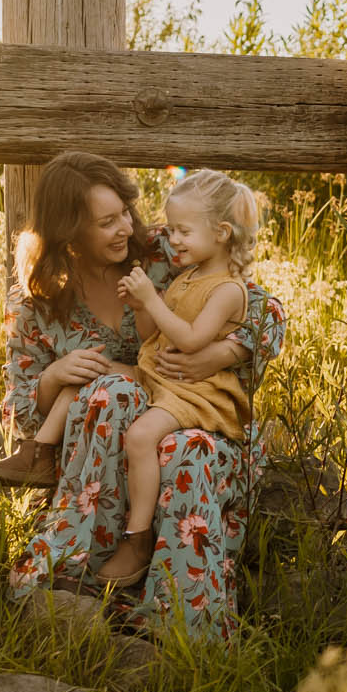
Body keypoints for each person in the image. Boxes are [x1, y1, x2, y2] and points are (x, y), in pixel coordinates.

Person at [0, 152, 262, 603]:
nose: (126, 228)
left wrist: (215, 354)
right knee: (113, 393)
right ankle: (82, 578)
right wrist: (56, 375)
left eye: (125, 214)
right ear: (68, 232)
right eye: (106, 222)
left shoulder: (163, 251)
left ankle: (177, 615)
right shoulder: (35, 299)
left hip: (188, 418)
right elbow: (16, 409)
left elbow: (264, 309)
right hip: (92, 450)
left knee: (181, 453)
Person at [101, 168, 261, 585]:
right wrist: (140, 307)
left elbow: (191, 340)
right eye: (171, 230)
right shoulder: (188, 276)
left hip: (195, 392)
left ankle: (136, 539)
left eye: (183, 231)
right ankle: (41, 448)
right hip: (159, 375)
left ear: (222, 232)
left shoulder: (227, 290)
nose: (173, 241)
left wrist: (151, 298)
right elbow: (149, 336)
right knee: (96, 371)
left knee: (139, 437)